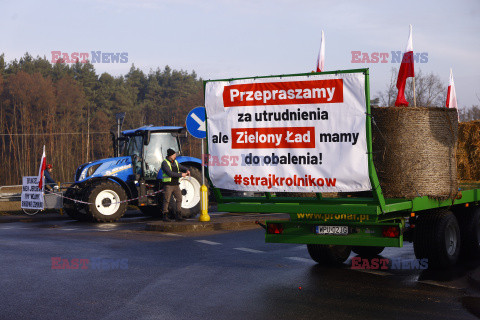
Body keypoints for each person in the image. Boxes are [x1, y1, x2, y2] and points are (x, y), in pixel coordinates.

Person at [161, 149, 190, 222]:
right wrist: (181, 174)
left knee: (179, 199)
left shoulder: (175, 162)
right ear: (170, 156)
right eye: (174, 155)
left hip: (176, 185)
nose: (175, 156)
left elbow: (181, 167)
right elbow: (170, 173)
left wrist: (187, 169)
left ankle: (178, 215)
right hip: (168, 185)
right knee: (166, 200)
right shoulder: (165, 163)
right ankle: (165, 215)